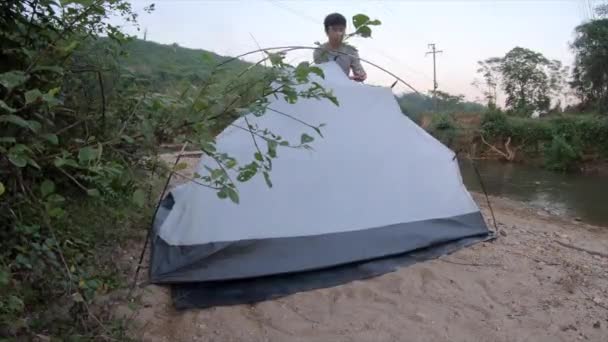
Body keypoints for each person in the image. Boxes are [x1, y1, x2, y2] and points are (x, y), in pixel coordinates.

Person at [313, 13, 367, 82]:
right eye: (335, 30)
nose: (339, 33)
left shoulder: (351, 51)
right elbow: (323, 76)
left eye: (341, 30)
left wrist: (362, 75)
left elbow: (359, 71)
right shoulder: (319, 51)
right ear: (327, 31)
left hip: (344, 87)